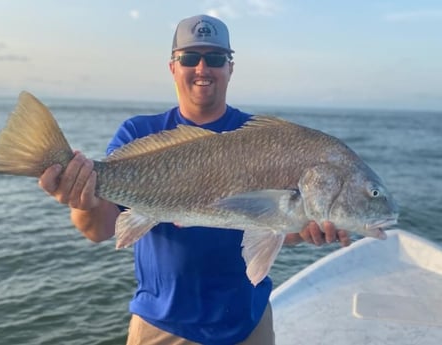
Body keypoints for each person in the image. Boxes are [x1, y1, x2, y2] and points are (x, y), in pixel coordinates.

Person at [39, 14, 351, 345]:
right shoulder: (138, 133)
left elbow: (263, 225)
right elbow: (98, 229)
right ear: (173, 67)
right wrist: (81, 198)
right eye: (190, 58)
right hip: (162, 326)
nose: (202, 68)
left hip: (249, 323)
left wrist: (302, 231)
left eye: (215, 58)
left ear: (230, 68)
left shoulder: (264, 136)